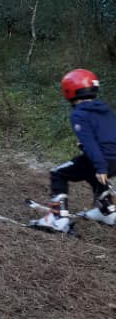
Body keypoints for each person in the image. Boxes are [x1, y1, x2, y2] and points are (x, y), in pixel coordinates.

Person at [39, 68, 116, 232]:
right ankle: (107, 210)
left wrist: (101, 166)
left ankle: (58, 218)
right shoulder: (105, 109)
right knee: (89, 169)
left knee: (58, 173)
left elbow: (90, 143)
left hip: (103, 159)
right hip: (113, 158)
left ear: (69, 90)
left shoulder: (79, 114)